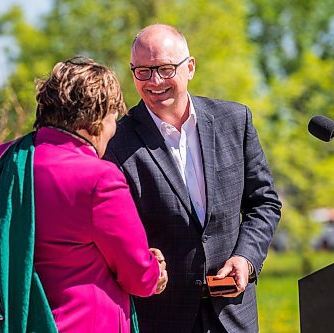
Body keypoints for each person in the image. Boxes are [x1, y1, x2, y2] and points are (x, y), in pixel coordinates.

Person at [0, 56, 167, 333]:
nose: (114, 128)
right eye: (112, 118)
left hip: (20, 322)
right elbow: (138, 277)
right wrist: (156, 271)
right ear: (96, 118)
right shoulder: (100, 178)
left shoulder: (6, 158)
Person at [104, 24, 282, 332]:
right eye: (142, 71)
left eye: (164, 68)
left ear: (190, 67)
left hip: (233, 316)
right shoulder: (115, 142)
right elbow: (114, 234)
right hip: (160, 319)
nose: (154, 81)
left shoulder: (235, 121)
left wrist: (245, 258)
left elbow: (263, 203)